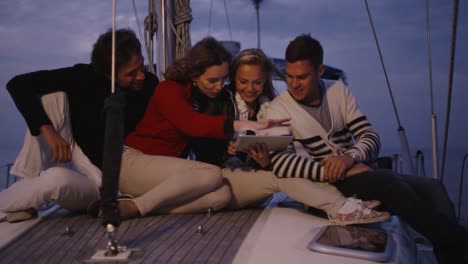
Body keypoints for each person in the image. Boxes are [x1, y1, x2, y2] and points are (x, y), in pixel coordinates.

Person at [265, 34, 468, 263]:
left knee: (434, 188)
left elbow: (369, 135)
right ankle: (461, 242)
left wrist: (349, 158)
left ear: (320, 71)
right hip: (325, 186)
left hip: (359, 171)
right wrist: (338, 170)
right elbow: (281, 163)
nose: (293, 84)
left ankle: (453, 256)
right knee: (388, 182)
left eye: (301, 77)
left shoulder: (338, 91)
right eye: (289, 77)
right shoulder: (278, 110)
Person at [191, 48, 390, 225]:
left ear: (265, 81)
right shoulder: (219, 102)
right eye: (243, 82)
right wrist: (224, 148)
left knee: (283, 169)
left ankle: (347, 204)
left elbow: (268, 164)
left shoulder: (268, 108)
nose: (250, 89)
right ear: (234, 78)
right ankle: (340, 207)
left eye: (257, 82)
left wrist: (263, 160)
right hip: (219, 181)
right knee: (280, 176)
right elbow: (201, 151)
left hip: (250, 183)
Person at [116, 37, 286, 220]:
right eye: (212, 80)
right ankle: (137, 206)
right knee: (210, 173)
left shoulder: (205, 98)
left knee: (221, 196)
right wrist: (241, 125)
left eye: (223, 79)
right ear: (194, 74)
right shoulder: (168, 89)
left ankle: (142, 205)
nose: (219, 87)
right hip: (133, 163)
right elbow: (192, 123)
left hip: (162, 174)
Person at [0, 28, 159, 223]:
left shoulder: (149, 85)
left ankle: (20, 200)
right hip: (73, 153)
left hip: (100, 179)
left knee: (55, 181)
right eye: (131, 73)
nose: (141, 76)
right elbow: (18, 84)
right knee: (51, 98)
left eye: (141, 66)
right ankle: (27, 187)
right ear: (109, 73)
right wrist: (48, 131)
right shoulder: (83, 76)